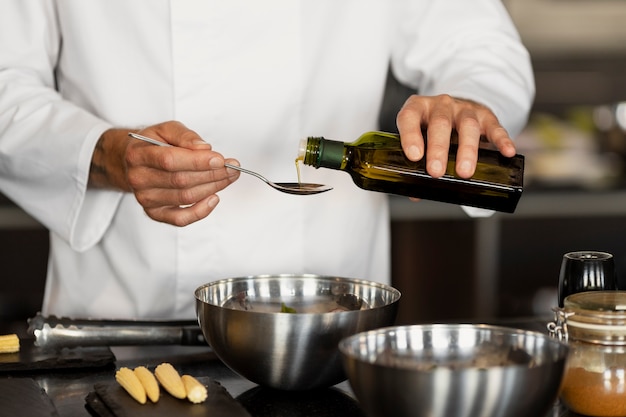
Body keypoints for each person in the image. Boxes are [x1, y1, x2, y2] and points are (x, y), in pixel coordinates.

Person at [0, 1, 534, 320]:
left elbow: (479, 44)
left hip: (326, 323)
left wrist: (467, 105)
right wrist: (106, 154)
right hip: (122, 320)